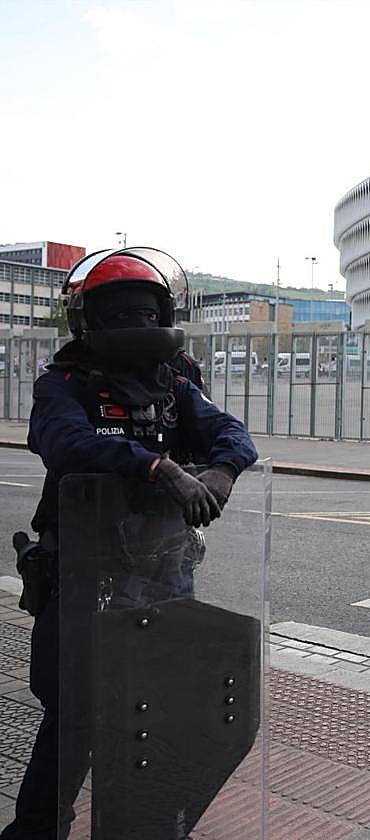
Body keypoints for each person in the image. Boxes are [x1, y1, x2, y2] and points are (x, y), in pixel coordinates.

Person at [3, 247, 258, 840]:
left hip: (165, 577)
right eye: (121, 315)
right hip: (86, 577)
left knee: (161, 709)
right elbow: (64, 444)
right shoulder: (65, 383)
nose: (135, 326)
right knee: (73, 717)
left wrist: (222, 470)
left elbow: (230, 431)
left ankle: (151, 822)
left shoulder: (175, 383)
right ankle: (40, 829)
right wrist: (155, 467)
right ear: (89, 321)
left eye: (145, 314)